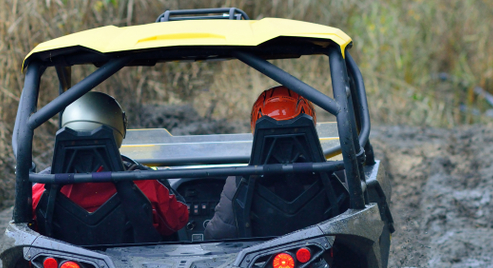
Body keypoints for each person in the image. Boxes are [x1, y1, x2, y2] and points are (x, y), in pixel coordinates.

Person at [31, 92, 189, 237]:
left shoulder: (42, 188)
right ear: (119, 128)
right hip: (135, 263)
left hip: (65, 265)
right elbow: (178, 219)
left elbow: (29, 228)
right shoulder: (145, 182)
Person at [203, 86, 318, 241]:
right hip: (324, 258)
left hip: (258, 262)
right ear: (311, 124)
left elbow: (218, 234)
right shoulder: (335, 173)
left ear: (255, 127)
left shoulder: (239, 180)